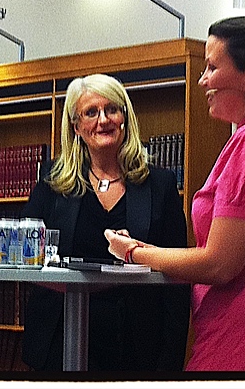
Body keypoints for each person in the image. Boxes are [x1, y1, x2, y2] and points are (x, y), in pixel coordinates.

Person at [105, 16, 245, 372]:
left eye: (211, 68)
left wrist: (135, 253)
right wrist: (145, 252)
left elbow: (220, 263)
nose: (203, 80)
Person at [20, 73, 190, 374]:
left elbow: (177, 277)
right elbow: (26, 252)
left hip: (138, 343)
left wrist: (171, 358)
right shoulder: (52, 180)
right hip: (61, 338)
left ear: (125, 118)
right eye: (91, 112)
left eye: (112, 109)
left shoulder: (160, 185)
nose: (103, 120)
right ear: (76, 126)